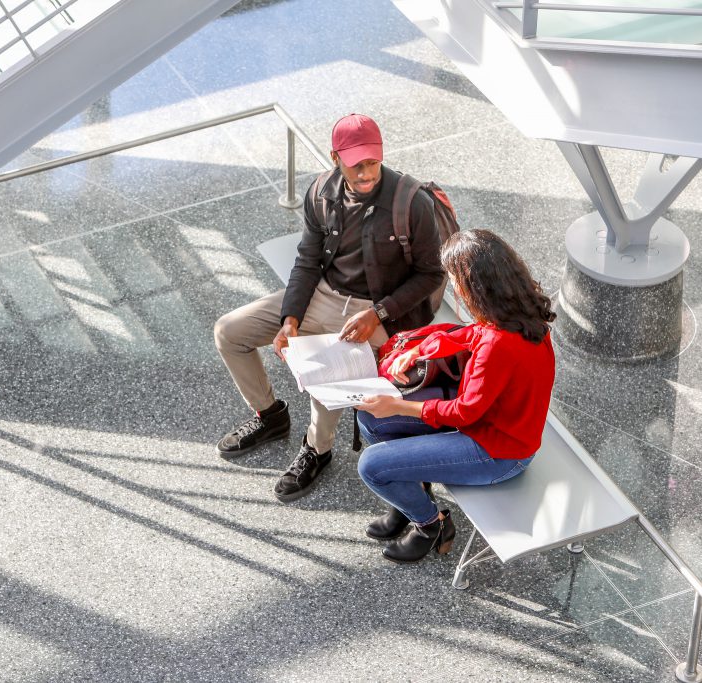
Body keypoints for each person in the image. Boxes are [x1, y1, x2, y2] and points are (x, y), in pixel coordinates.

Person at [213, 113, 445, 502]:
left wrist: (378, 314)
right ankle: (270, 416)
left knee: (327, 368)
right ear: (336, 157)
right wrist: (290, 319)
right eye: (356, 164)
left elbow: (431, 275)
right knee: (228, 332)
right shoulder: (321, 192)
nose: (367, 172)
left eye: (373, 161)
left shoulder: (411, 203)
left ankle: (316, 450)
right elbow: (307, 260)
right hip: (324, 292)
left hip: (381, 309)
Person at [354, 228, 556, 563]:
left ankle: (430, 524)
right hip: (494, 428)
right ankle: (411, 497)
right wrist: (421, 350)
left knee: (371, 466)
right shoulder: (519, 313)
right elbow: (474, 334)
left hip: (498, 452)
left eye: (454, 280)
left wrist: (398, 405)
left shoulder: (499, 345)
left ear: (474, 286)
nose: (455, 289)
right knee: (371, 419)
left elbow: (464, 413)